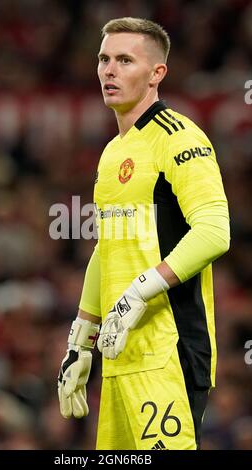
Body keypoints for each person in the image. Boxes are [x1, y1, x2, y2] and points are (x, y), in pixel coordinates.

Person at [57, 17, 230, 450]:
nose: (108, 70)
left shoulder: (179, 137)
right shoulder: (113, 151)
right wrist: (80, 340)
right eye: (103, 59)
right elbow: (108, 248)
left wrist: (138, 292)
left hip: (167, 352)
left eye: (124, 60)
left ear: (157, 74)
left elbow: (214, 232)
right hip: (118, 357)